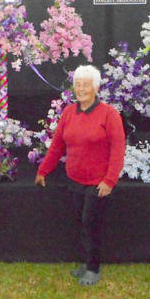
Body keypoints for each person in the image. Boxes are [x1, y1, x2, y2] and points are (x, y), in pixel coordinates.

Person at [35, 65, 125, 286]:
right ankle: (87, 263)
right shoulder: (68, 112)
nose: (81, 89)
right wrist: (43, 170)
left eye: (86, 84)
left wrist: (109, 181)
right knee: (82, 224)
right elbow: (57, 146)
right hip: (75, 181)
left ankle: (93, 269)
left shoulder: (109, 114)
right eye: (78, 84)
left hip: (98, 184)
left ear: (95, 87)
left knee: (91, 224)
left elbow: (118, 150)